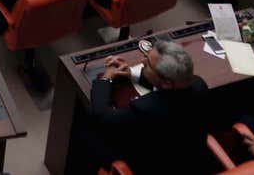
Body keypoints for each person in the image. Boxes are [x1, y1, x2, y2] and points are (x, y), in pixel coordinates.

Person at [82, 40, 213, 173]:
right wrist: (132, 75)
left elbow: (102, 116)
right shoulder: (198, 84)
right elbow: (166, 86)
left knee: (88, 130)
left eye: (148, 64)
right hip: (187, 157)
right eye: (146, 56)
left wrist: (106, 78)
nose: (143, 61)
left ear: (167, 83)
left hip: (152, 164)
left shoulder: (147, 108)